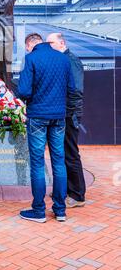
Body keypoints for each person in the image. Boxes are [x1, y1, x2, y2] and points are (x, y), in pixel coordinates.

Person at [16, 33, 74, 223]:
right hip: (58, 116)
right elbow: (72, 89)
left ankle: (39, 210)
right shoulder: (63, 59)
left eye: (27, 47)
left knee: (38, 163)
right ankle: (60, 210)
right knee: (58, 161)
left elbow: (24, 91)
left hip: (38, 116)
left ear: (30, 44)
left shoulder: (31, 58)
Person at [46, 32, 86, 208]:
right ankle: (67, 190)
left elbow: (76, 90)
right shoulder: (62, 60)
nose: (48, 46)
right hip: (64, 113)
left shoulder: (71, 60)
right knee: (62, 153)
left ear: (61, 43)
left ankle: (77, 195)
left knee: (70, 153)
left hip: (69, 115)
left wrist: (65, 111)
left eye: (51, 43)